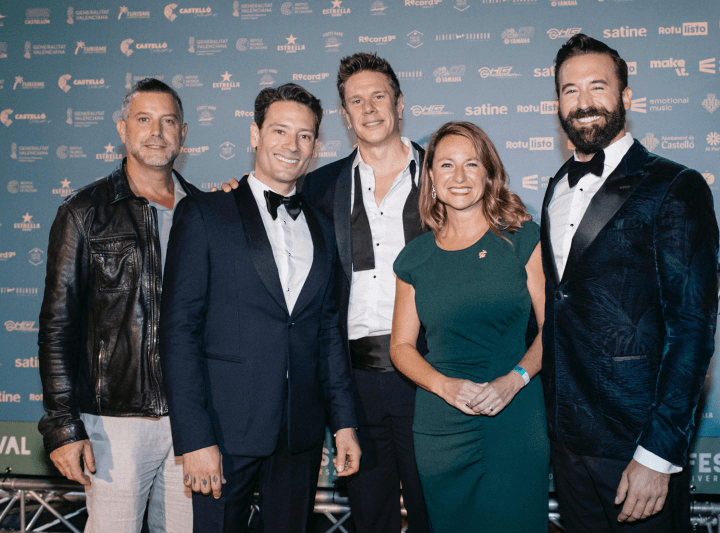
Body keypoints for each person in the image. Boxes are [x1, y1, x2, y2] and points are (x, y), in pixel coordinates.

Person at [159, 83, 361, 533]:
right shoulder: (206, 213)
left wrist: (344, 423)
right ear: (255, 135)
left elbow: (329, 333)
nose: (292, 145)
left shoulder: (323, 226)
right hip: (223, 432)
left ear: (315, 145)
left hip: (300, 434)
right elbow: (178, 332)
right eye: (280, 131)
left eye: (305, 135)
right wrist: (195, 439)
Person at [540, 33, 718, 532]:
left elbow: (692, 330)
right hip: (568, 442)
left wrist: (658, 454)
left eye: (597, 87)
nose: (584, 102)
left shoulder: (674, 186)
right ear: (557, 104)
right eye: (570, 90)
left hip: (636, 444)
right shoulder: (555, 188)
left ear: (626, 97)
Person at [37, 78, 196, 533]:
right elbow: (57, 325)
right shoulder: (83, 212)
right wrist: (63, 425)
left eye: (168, 121)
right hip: (114, 422)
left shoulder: (205, 211)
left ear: (183, 133)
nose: (156, 132)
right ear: (123, 129)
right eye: (144, 120)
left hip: (192, 419)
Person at [390, 121, 550, 533]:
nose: (459, 176)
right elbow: (401, 347)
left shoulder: (521, 239)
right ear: (430, 176)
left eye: (471, 164)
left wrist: (514, 380)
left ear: (489, 173)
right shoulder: (414, 258)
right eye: (446, 164)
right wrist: (444, 386)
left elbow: (554, 329)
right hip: (440, 425)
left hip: (513, 416)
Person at [302, 52, 430, 533]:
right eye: (357, 101)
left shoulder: (443, 174)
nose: (369, 108)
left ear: (400, 103)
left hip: (431, 375)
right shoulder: (319, 187)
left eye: (379, 96)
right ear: (344, 114)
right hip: (354, 382)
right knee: (371, 517)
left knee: (435, 513)